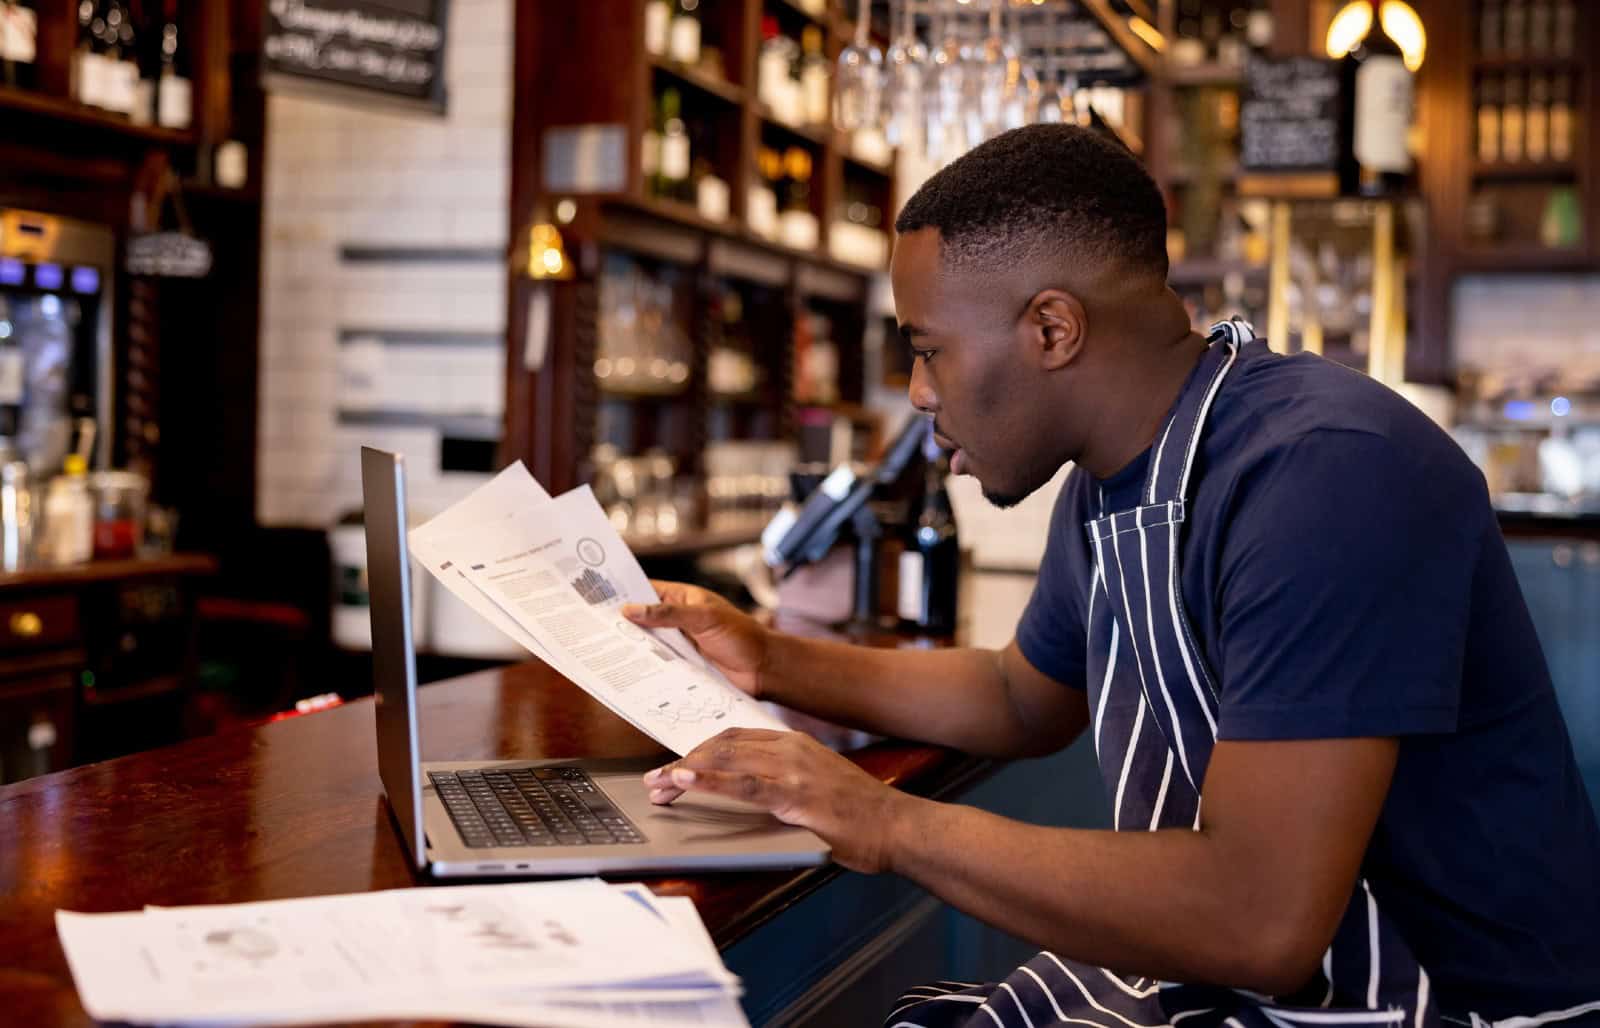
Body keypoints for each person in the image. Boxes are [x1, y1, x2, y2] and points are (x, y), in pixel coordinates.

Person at [622, 125, 1600, 1028]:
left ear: (1051, 330)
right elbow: (1018, 695)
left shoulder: (1324, 471)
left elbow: (1260, 917)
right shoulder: (1112, 482)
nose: (918, 391)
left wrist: (881, 817)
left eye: (927, 349)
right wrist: (767, 657)